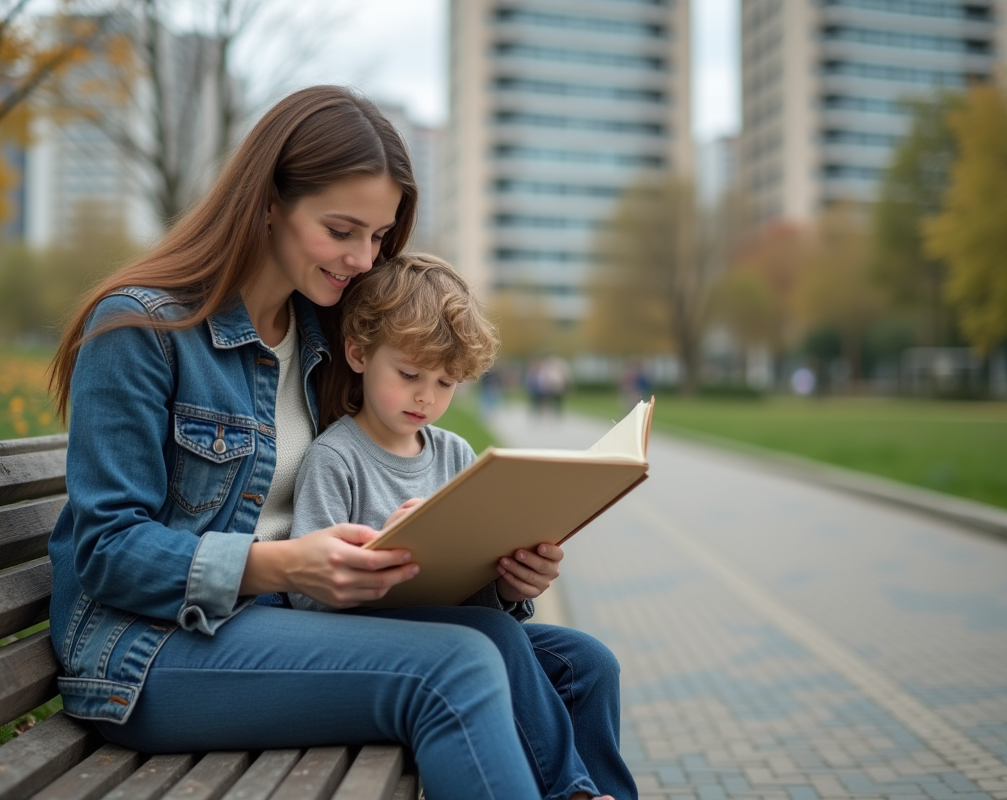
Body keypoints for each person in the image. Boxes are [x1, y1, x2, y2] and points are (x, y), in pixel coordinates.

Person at [45, 85, 628, 800]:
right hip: (155, 652)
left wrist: (500, 571)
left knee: (582, 664)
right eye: (342, 230)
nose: (363, 258)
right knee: (455, 668)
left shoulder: (326, 338)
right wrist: (283, 566)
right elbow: (106, 553)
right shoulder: (141, 330)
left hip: (298, 627)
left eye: (379, 237)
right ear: (267, 202)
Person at [288, 253, 638, 799]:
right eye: (408, 375)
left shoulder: (454, 452)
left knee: (590, 662)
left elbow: (480, 583)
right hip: (380, 647)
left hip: (469, 628)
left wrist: (510, 581)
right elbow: (306, 603)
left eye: (446, 382)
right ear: (358, 354)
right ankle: (574, 792)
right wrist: (387, 548)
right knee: (493, 634)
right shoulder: (336, 458)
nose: (426, 396)